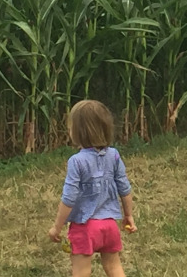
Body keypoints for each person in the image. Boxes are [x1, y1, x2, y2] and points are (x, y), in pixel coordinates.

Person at [48, 100, 138, 277]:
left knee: (81, 271)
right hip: (110, 226)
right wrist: (129, 215)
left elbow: (69, 198)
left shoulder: (77, 161)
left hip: (84, 227)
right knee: (114, 267)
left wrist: (57, 227)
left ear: (77, 132)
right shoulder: (114, 155)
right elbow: (124, 189)